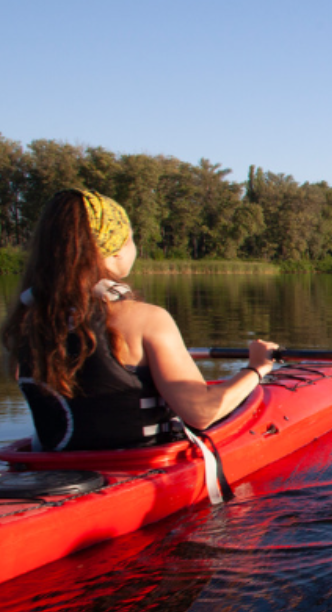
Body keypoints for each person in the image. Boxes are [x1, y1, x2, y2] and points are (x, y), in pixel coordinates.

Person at [1, 188, 278, 451]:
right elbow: (201, 412)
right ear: (116, 249)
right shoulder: (146, 319)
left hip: (44, 472)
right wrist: (256, 368)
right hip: (139, 468)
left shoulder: (23, 322)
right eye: (131, 237)